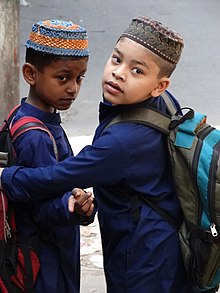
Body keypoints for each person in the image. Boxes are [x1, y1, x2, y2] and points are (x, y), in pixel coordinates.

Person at [0, 16, 195, 292]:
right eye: (117, 60)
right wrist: (74, 205)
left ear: (159, 85)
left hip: (143, 258)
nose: (119, 73)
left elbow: (61, 176)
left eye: (137, 71)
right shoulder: (161, 102)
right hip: (160, 246)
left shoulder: (123, 143)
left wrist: (5, 177)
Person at [3, 20, 96, 293]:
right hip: (44, 260)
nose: (73, 89)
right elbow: (41, 205)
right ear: (31, 74)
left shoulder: (20, 116)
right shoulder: (36, 136)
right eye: (63, 78)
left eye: (80, 78)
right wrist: (73, 206)